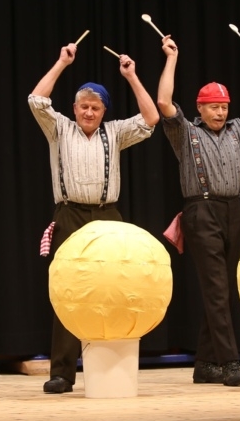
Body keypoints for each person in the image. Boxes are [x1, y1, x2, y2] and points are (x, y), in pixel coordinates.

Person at [30, 42, 159, 394]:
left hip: (107, 217)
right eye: (84, 107)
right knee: (68, 291)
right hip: (70, 214)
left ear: (104, 111)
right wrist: (61, 63)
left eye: (95, 107)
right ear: (74, 108)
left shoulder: (114, 132)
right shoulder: (59, 128)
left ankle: (111, 367)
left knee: (113, 287)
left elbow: (151, 118)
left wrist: (132, 77)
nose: (89, 112)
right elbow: (36, 100)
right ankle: (62, 372)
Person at [155, 34, 240, 387]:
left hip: (234, 211)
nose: (220, 112)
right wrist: (171, 58)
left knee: (225, 290)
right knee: (215, 290)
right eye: (213, 107)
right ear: (200, 108)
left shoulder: (238, 130)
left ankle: (205, 364)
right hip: (201, 212)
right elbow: (163, 101)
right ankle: (229, 363)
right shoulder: (186, 132)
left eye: (224, 106)